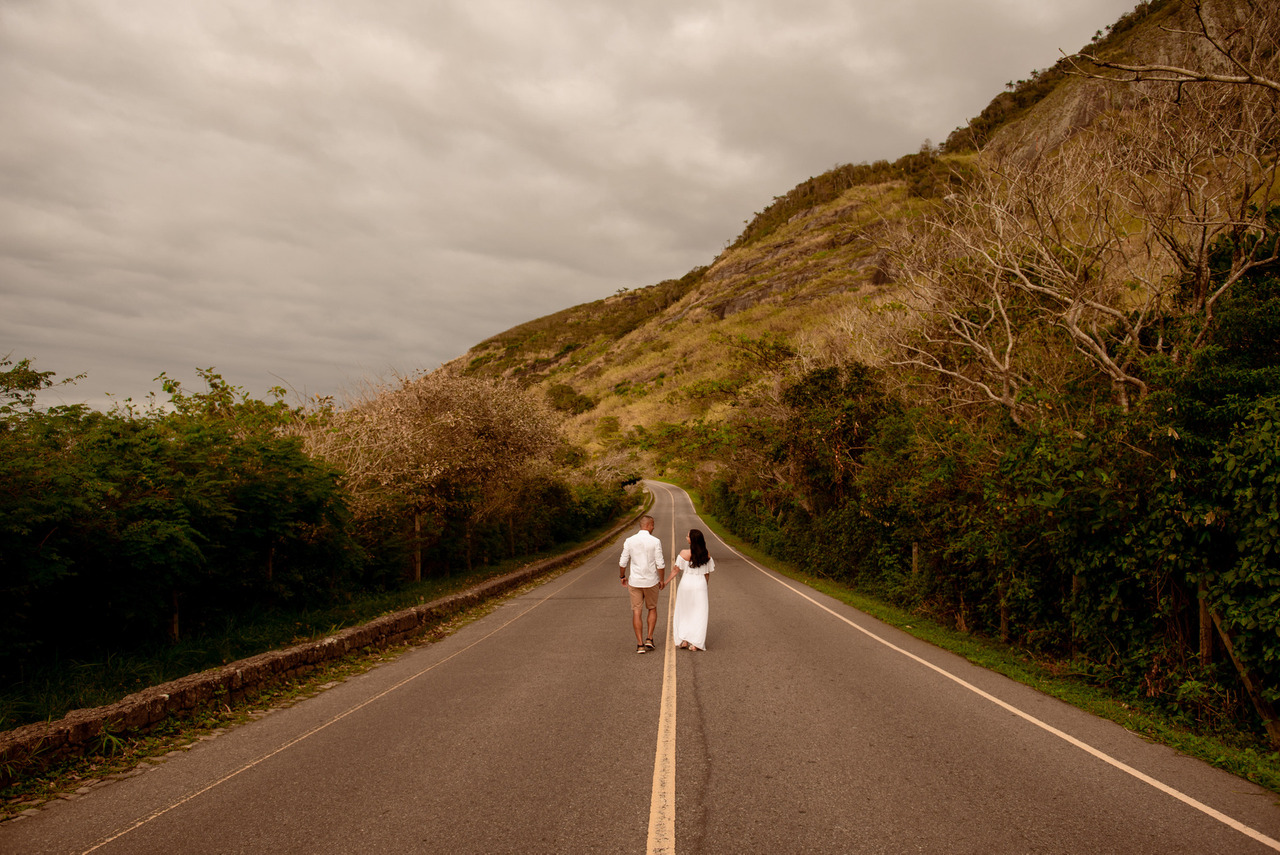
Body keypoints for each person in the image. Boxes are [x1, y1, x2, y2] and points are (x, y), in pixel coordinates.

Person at [619, 515, 665, 654]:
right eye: (653, 525)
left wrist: (622, 576)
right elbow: (660, 564)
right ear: (649, 525)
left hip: (635, 581)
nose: (654, 527)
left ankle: (639, 645)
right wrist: (661, 580)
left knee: (637, 611)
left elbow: (622, 562)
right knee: (652, 608)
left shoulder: (629, 540)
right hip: (651, 581)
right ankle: (649, 638)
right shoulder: (655, 541)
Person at [665, 528, 714, 652]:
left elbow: (676, 570)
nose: (686, 538)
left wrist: (665, 582)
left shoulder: (683, 553)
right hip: (700, 585)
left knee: (684, 611)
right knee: (699, 613)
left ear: (692, 540)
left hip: (686, 584)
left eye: (687, 536)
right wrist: (704, 586)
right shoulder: (706, 554)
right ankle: (696, 643)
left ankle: (684, 639)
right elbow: (707, 573)